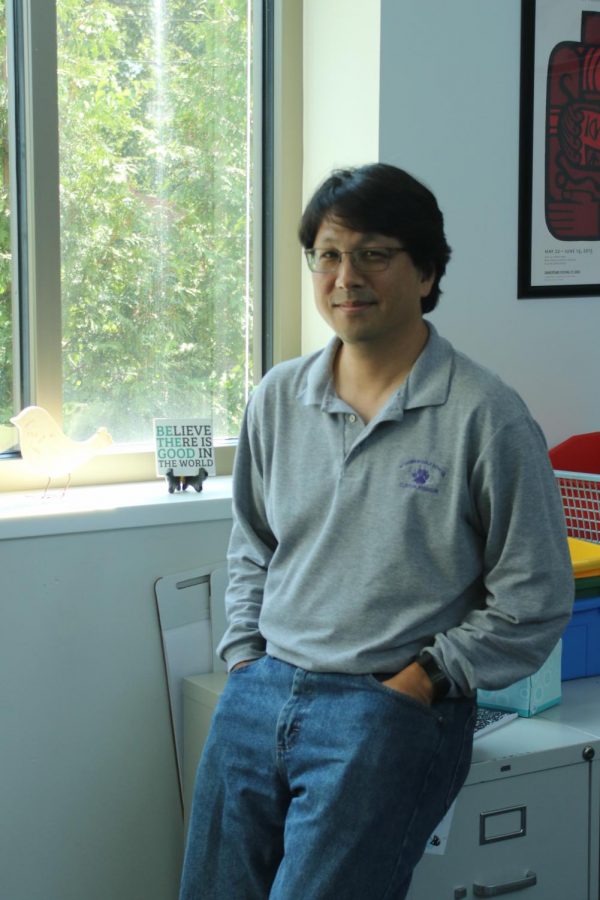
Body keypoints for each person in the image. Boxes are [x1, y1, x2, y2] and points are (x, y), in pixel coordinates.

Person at [179, 163, 573, 900]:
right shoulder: (277, 398)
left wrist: (422, 682)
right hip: (260, 694)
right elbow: (252, 546)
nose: (345, 276)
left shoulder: (486, 415)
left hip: (385, 709)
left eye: (374, 254)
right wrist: (243, 663)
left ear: (426, 273)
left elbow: (537, 595)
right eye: (328, 255)